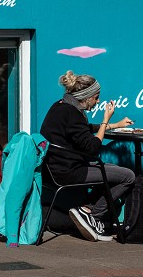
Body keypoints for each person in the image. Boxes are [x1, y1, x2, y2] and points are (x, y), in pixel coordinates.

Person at [39, 71, 136, 242]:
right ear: (86, 96)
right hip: (69, 172)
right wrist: (106, 120)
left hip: (55, 169)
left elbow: (82, 130)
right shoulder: (73, 114)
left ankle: (87, 210)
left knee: (112, 170)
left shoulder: (61, 106)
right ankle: (92, 215)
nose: (98, 101)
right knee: (128, 176)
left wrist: (115, 125)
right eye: (96, 97)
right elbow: (92, 148)